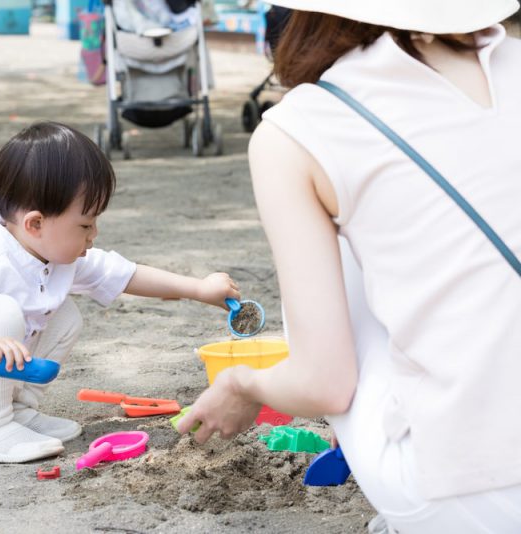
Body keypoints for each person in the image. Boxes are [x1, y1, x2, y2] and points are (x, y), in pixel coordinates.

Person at [176, 1, 521, 531]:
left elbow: (325, 386)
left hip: (479, 487)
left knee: (336, 252)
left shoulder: (300, 127)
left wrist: (242, 384)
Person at [0, 121, 240, 464]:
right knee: (0, 311)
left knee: (64, 315)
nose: (94, 235)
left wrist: (198, 289)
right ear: (35, 223)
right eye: (85, 225)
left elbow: (124, 274)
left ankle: (17, 411)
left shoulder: (52, 254)